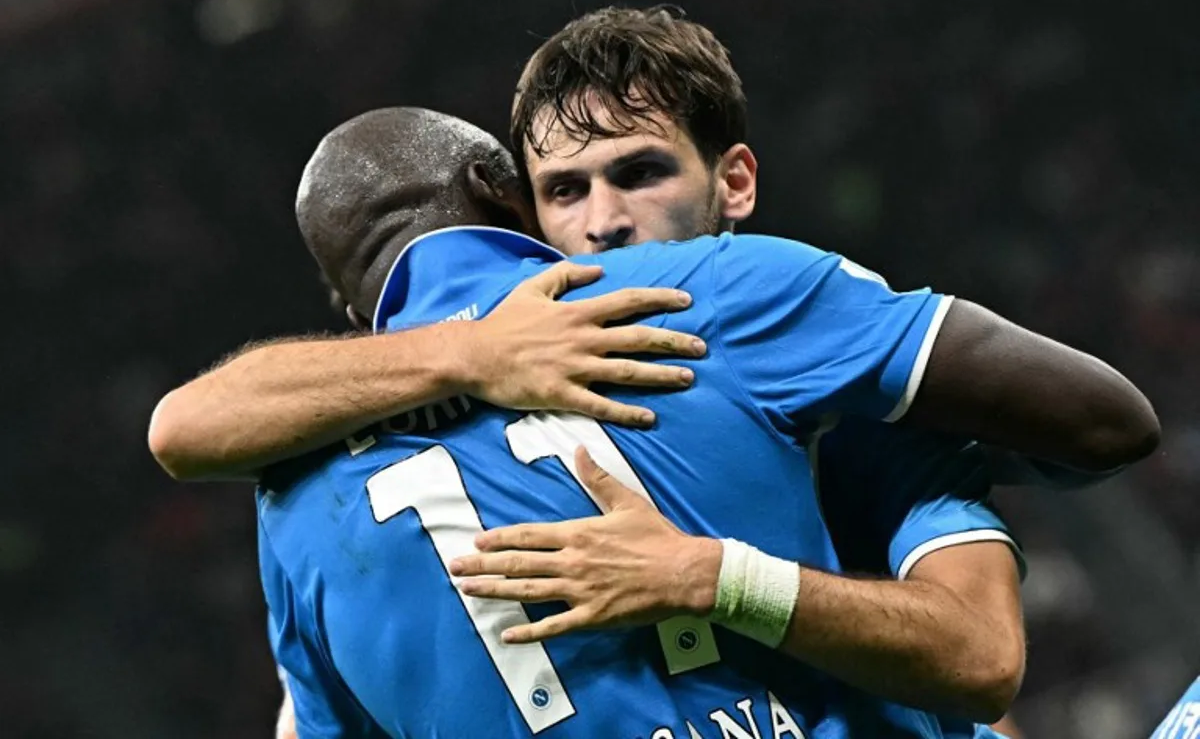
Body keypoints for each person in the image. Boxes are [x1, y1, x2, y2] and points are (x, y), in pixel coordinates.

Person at [161, 103, 1157, 738]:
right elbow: (1101, 425)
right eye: (566, 190)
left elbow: (183, 427)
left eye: (635, 176)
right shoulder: (713, 292)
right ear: (504, 193)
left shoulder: (290, 513)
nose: (600, 221)